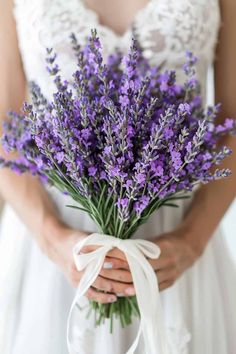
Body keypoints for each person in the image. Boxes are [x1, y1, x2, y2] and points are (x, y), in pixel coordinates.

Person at [0, 0, 235, 353]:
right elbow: (6, 129)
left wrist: (191, 241)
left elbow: (231, 124)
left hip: (176, 248)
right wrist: (54, 239)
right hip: (56, 249)